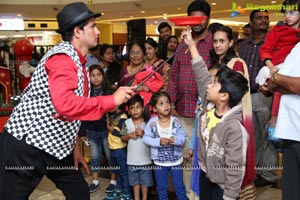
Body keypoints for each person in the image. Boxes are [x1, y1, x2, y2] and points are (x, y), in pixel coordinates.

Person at [0, 2, 134, 200]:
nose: (98, 31)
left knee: (79, 193)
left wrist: (73, 149)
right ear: (77, 31)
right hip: (27, 146)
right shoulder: (63, 59)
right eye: (93, 26)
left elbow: (70, 113)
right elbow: (65, 104)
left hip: (56, 147)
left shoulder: (79, 61)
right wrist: (111, 100)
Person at [182, 28, 249, 200]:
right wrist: (191, 44)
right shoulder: (208, 112)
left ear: (224, 95)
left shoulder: (233, 129)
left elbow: (235, 168)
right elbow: (201, 73)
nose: (208, 85)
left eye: (213, 83)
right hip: (206, 175)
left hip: (223, 186)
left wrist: (229, 197)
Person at [167, 0, 213, 193]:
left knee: (206, 159)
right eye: (192, 17)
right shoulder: (181, 46)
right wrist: (170, 104)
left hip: (206, 114)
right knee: (187, 157)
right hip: (183, 111)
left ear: (208, 19)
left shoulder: (213, 43)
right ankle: (188, 195)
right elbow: (174, 76)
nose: (196, 22)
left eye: (200, 17)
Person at [238, 9, 278, 187]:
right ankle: (255, 172)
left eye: (266, 18)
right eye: (259, 18)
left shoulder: (273, 43)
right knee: (251, 137)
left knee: (266, 136)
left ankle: (269, 174)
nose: (263, 21)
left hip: (265, 96)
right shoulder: (245, 45)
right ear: (251, 22)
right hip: (246, 96)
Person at [259, 41, 300, 200]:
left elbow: (294, 85)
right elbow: (283, 85)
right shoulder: (297, 47)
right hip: (291, 131)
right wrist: (277, 82)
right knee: (291, 190)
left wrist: (275, 77)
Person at [259, 0, 300, 142]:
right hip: (276, 66)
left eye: (292, 12)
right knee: (278, 93)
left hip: (292, 71)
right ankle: (273, 124)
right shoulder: (278, 30)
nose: (287, 16)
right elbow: (265, 50)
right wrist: (272, 69)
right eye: (286, 12)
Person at [143, 91, 187, 200]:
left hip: (176, 161)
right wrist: (158, 141)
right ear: (154, 108)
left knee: (179, 187)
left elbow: (183, 137)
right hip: (159, 162)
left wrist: (175, 140)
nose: (166, 105)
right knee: (162, 188)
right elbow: (146, 138)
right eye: (161, 103)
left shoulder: (175, 121)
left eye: (167, 102)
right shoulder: (152, 123)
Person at [78, 65, 115, 193]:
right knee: (95, 156)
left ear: (103, 76)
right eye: (93, 75)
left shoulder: (108, 92)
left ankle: (114, 180)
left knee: (110, 156)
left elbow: (113, 111)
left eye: (98, 75)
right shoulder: (87, 93)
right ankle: (95, 181)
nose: (96, 78)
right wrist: (82, 132)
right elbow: (82, 112)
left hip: (106, 130)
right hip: (91, 129)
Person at [121, 94, 153, 200]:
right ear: (129, 111)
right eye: (132, 108)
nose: (135, 110)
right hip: (131, 160)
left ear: (143, 108)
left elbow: (153, 138)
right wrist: (129, 135)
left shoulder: (148, 123)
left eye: (138, 107)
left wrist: (144, 133)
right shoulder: (126, 123)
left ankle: (144, 198)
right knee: (134, 182)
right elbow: (122, 138)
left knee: (145, 182)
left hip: (145, 160)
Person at [105, 103, 131, 200]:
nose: (109, 107)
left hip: (120, 148)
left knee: (123, 172)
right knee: (118, 171)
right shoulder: (113, 115)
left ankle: (126, 193)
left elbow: (124, 134)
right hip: (113, 148)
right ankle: (119, 190)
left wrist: (112, 130)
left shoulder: (123, 117)